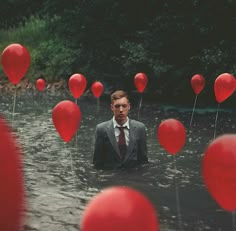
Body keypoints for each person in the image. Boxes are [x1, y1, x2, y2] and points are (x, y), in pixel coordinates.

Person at [93, 90, 148, 170]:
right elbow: (98, 161)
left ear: (129, 106)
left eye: (124, 106)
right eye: (117, 106)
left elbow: (143, 160)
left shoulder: (140, 128)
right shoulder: (101, 129)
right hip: (111, 176)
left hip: (133, 176)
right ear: (112, 107)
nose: (121, 110)